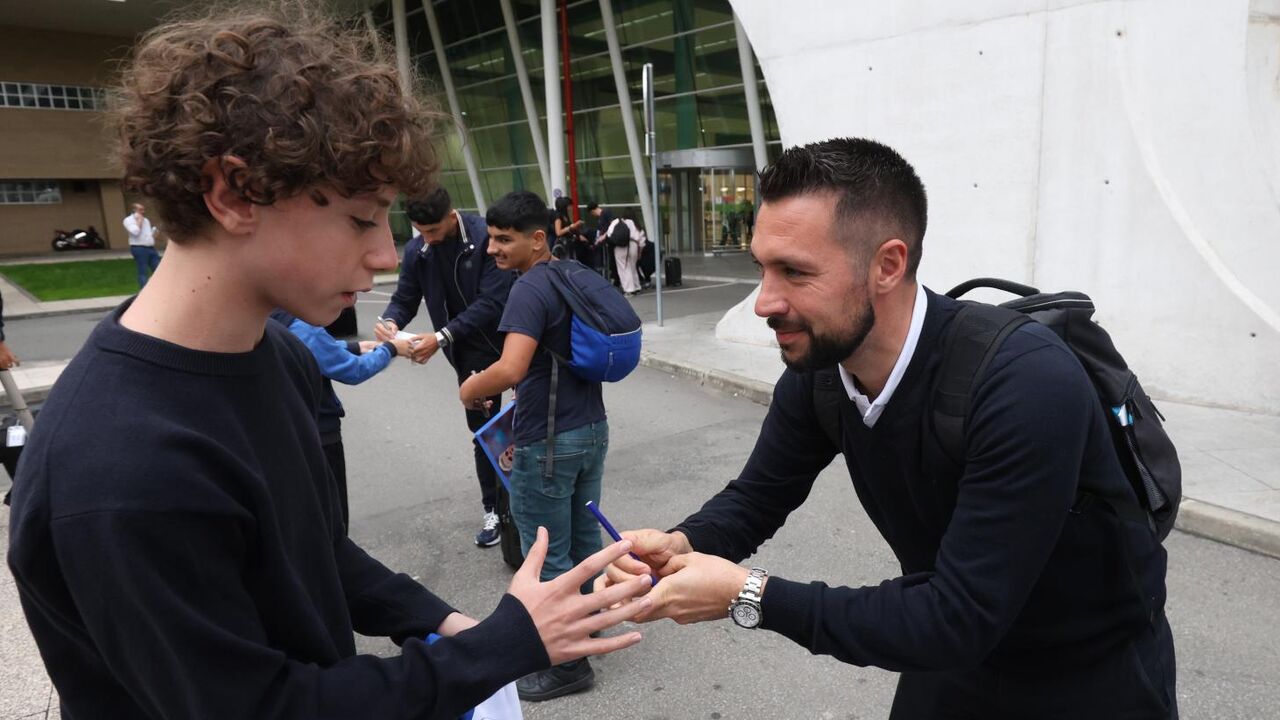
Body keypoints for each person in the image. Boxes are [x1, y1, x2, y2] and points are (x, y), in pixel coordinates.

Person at [6, 6, 652, 719]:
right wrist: (493, 651)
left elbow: (312, 551)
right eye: (359, 217)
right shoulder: (120, 467)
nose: (383, 255)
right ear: (232, 193)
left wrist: (445, 623)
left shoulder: (277, 355)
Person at [600, 138, 1177, 719]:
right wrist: (684, 544)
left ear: (887, 265)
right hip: (953, 658)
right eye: (762, 268)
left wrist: (748, 594)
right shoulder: (822, 370)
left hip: (1089, 672)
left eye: (795, 272)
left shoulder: (1024, 380)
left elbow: (958, 616)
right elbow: (756, 497)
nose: (764, 302)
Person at [460, 190, 612, 702]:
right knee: (584, 544)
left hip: (547, 441)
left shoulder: (529, 288)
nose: (493, 249)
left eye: (505, 240)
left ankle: (567, 665)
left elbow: (511, 369)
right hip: (591, 430)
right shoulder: (573, 275)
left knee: (546, 552)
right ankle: (585, 629)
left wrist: (469, 387)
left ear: (538, 239)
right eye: (491, 238)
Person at [374, 186, 514, 548]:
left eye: (433, 231)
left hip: (513, 340)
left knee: (527, 427)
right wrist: (390, 322)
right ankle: (495, 510)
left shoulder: (486, 238)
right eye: (421, 232)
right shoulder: (418, 251)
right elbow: (405, 298)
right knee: (487, 433)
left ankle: (527, 502)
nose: (428, 240)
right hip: (467, 353)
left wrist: (441, 337)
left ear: (452, 217)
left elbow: (492, 303)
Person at [271, 309, 413, 533]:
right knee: (333, 523)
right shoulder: (303, 326)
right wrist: (391, 349)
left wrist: (358, 347)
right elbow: (354, 370)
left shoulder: (266, 320)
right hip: (321, 436)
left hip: (285, 435)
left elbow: (317, 350)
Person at [606, 210, 646, 296]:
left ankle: (629, 289)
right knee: (632, 267)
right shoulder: (637, 225)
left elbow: (609, 234)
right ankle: (636, 286)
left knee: (623, 268)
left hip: (622, 245)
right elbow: (642, 241)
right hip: (635, 245)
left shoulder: (618, 222)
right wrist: (639, 253)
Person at [122, 202, 161, 287]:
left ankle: (157, 287)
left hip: (150, 248)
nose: (142, 212)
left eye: (143, 209)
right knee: (143, 270)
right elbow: (135, 232)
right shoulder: (128, 220)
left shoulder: (146, 220)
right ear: (134, 210)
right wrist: (139, 221)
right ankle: (143, 289)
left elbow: (148, 234)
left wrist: (154, 233)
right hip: (139, 248)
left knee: (158, 269)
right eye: (140, 210)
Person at [552, 195, 592, 267]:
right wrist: (571, 227)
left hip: (569, 241)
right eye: (569, 206)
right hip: (563, 243)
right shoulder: (558, 217)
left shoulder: (566, 216)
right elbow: (558, 232)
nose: (570, 208)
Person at [587, 200, 614, 279]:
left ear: (592, 211)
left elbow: (613, 224)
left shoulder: (605, 212)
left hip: (607, 241)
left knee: (607, 261)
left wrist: (604, 236)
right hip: (602, 242)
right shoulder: (600, 217)